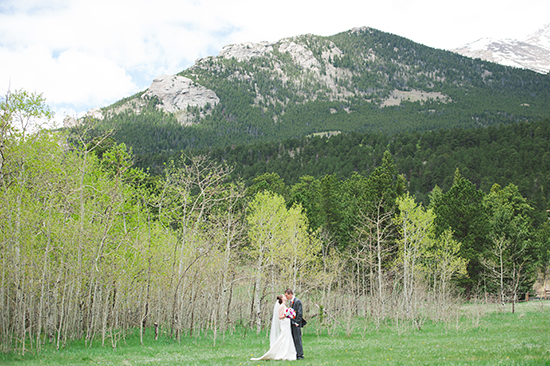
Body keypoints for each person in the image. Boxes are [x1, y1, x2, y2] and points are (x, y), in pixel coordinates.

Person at [251, 294, 297, 361]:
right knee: (284, 337)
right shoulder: (281, 306)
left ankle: (288, 353)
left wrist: (290, 315)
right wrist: (287, 315)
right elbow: (280, 317)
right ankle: (281, 353)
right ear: (282, 299)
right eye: (284, 296)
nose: (285, 297)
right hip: (284, 324)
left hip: (287, 323)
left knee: (287, 338)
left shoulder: (285, 306)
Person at [285, 288, 304, 360]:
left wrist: (297, 322)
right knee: (293, 338)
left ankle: (300, 355)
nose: (286, 297)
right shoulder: (290, 302)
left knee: (297, 339)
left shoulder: (297, 301)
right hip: (291, 323)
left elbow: (300, 313)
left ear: (290, 294)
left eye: (286, 295)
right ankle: (295, 353)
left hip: (296, 323)